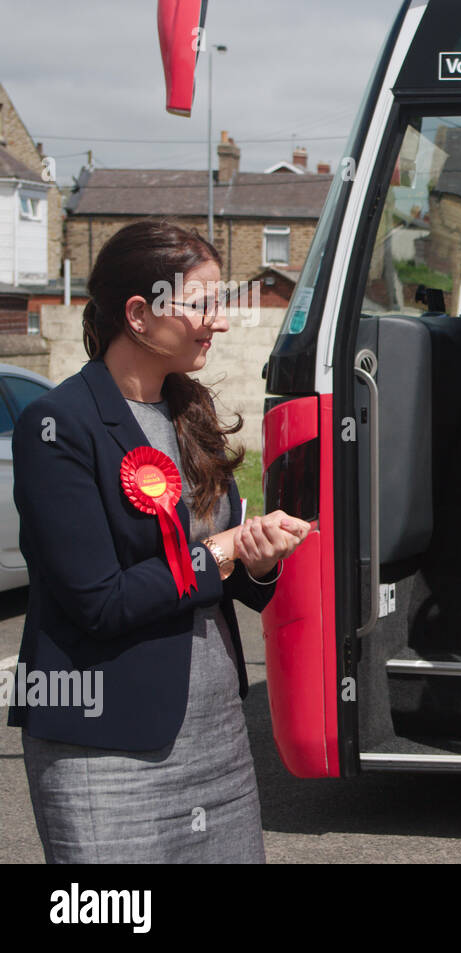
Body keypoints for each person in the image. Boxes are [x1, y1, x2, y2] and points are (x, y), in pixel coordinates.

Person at [8, 220, 311, 863]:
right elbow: (100, 601)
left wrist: (254, 559)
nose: (219, 322)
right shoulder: (58, 425)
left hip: (216, 738)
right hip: (105, 746)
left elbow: (218, 575)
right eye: (201, 305)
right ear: (139, 315)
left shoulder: (190, 410)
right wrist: (224, 550)